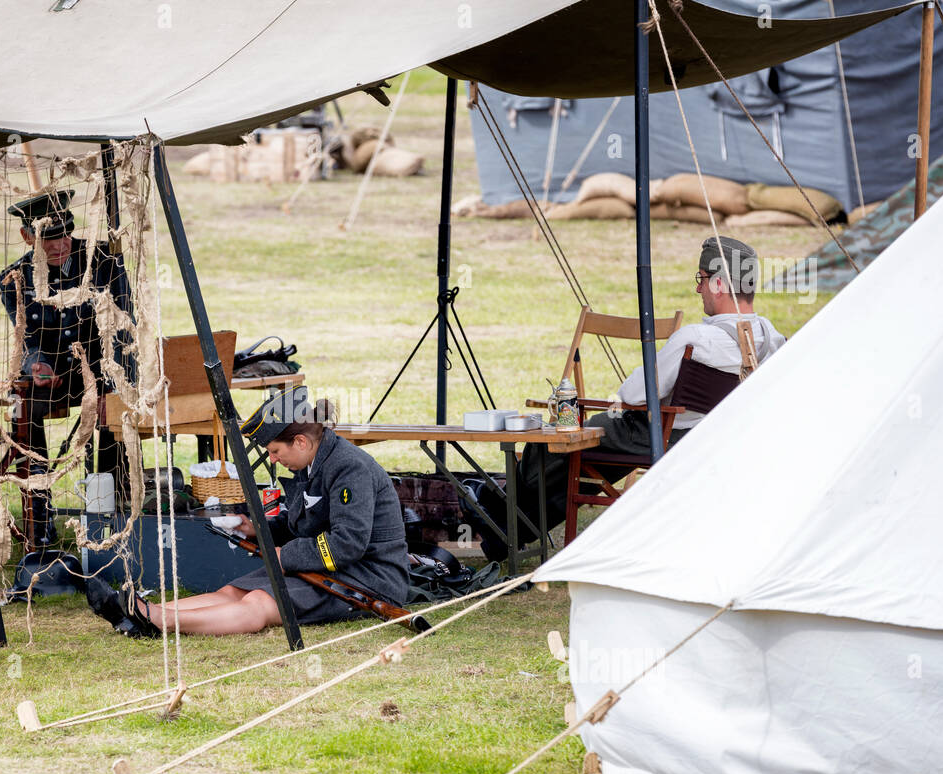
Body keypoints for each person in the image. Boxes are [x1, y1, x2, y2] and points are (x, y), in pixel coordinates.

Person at [472, 235, 787, 557]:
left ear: (719, 284)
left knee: (556, 444)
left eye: (702, 280)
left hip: (658, 434)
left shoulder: (697, 338)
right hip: (711, 437)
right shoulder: (773, 339)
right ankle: (509, 528)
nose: (698, 289)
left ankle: (495, 513)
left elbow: (633, 395)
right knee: (587, 467)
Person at [87, 386, 411, 637]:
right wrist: (258, 530)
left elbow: (347, 545)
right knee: (233, 592)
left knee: (259, 604)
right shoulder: (313, 461)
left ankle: (156, 621)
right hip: (331, 567)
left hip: (368, 578)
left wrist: (287, 556)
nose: (271, 459)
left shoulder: (349, 468)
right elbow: (305, 524)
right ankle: (141, 610)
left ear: (300, 441)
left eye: (274, 451)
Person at [0, 190, 130, 545]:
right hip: (54, 374)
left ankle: (111, 508)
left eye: (65, 235)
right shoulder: (14, 278)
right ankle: (39, 513)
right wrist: (36, 363)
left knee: (112, 417)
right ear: (27, 237)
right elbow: (27, 337)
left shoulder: (104, 261)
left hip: (103, 369)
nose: (60, 246)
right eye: (49, 239)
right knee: (21, 407)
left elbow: (121, 329)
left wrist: (108, 387)